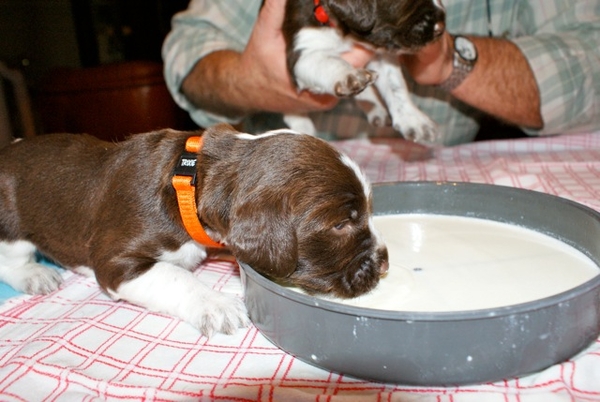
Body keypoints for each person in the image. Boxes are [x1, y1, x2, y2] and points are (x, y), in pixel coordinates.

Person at [162, 0, 600, 145]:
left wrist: (450, 61)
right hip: (296, 146)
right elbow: (188, 47)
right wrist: (252, 79)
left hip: (442, 165)